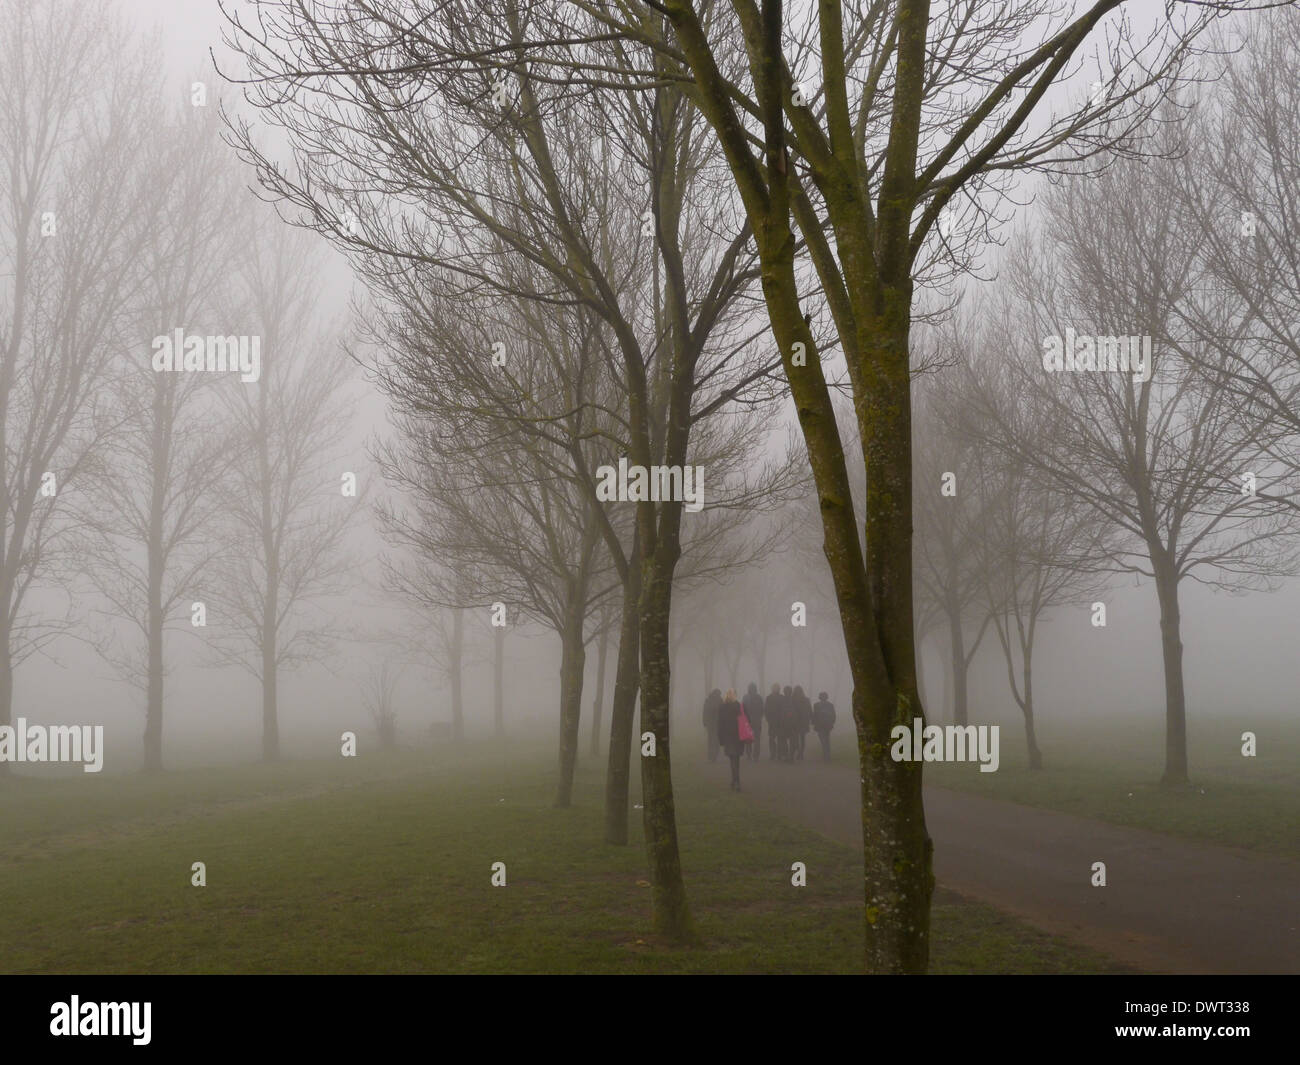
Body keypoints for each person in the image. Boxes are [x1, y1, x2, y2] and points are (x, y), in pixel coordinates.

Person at [716, 688, 746, 790]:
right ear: (735, 696)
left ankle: (735, 781)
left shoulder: (723, 707)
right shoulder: (739, 706)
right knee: (736, 759)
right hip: (738, 736)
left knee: (732, 759)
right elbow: (747, 720)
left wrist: (720, 738)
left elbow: (720, 724)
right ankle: (736, 780)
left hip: (728, 736)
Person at [742, 682, 764, 761]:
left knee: (748, 739)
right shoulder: (759, 697)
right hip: (756, 720)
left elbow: (742, 709)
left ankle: (749, 754)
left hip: (748, 721)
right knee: (757, 739)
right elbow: (762, 709)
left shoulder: (745, 697)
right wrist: (759, 717)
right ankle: (755, 756)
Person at [812, 691, 836, 761]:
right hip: (827, 725)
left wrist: (814, 724)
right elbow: (833, 716)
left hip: (820, 726)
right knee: (826, 740)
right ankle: (827, 755)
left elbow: (814, 716)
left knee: (823, 740)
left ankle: (826, 755)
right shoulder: (830, 705)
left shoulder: (816, 705)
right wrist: (832, 723)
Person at [792, 685, 812, 761]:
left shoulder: (793, 700)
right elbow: (810, 711)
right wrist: (810, 719)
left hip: (796, 722)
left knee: (796, 739)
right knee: (802, 739)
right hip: (804, 722)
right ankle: (801, 753)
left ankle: (799, 752)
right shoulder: (806, 700)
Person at [702, 688, 722, 762]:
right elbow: (722, 712)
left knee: (710, 740)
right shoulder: (720, 700)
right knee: (716, 740)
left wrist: (704, 722)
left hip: (710, 724)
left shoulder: (708, 700)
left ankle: (711, 756)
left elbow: (704, 712)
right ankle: (715, 755)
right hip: (716, 724)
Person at [764, 683, 783, 761]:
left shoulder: (770, 698)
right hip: (774, 721)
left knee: (777, 738)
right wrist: (768, 718)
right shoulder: (771, 698)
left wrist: (768, 718)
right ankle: (774, 754)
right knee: (774, 738)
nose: (776, 689)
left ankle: (776, 754)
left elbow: (766, 710)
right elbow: (766, 709)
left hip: (777, 721)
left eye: (776, 688)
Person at [780, 685, 797, 762]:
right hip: (792, 723)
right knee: (792, 741)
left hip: (784, 723)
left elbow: (779, 711)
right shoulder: (794, 700)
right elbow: (797, 712)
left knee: (784, 740)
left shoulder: (782, 700)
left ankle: (787, 755)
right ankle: (790, 756)